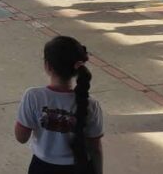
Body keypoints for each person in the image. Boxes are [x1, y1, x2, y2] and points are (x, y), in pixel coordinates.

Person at [15, 36, 103, 174]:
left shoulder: (33, 96)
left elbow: (21, 137)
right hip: (80, 168)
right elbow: (95, 148)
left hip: (42, 167)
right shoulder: (91, 104)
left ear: (48, 66)